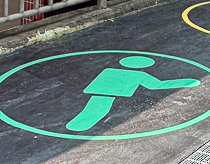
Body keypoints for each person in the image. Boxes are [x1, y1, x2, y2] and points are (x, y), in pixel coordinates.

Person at [66, 55, 199, 132]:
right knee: (101, 108)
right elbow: (156, 85)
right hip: (111, 91)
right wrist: (184, 82)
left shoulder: (109, 70)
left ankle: (81, 123)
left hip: (100, 91)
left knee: (97, 107)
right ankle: (81, 124)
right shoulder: (139, 74)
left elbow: (100, 80)